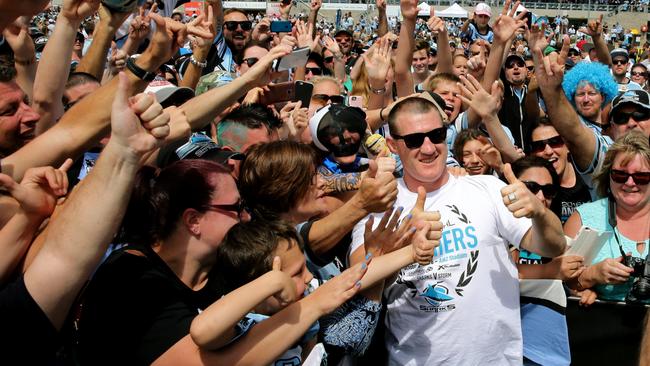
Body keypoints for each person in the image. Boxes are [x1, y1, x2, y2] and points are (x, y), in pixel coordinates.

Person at [350, 95, 566, 365]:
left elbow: (553, 246)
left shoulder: (487, 188)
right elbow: (355, 279)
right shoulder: (382, 207)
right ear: (393, 145)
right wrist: (402, 248)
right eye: (415, 140)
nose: (428, 148)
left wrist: (539, 213)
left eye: (437, 135)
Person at [509, 156, 581, 366]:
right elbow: (499, 272)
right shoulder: (494, 231)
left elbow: (581, 274)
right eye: (531, 187)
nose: (540, 197)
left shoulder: (559, 240)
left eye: (548, 191)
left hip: (548, 355)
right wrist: (551, 271)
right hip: (505, 351)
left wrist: (588, 283)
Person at [565, 131, 650, 304]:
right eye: (620, 175)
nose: (630, 183)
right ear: (608, 175)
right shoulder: (584, 219)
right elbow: (558, 279)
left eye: (641, 176)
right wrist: (592, 276)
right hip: (601, 324)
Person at [529, 119, 591, 223]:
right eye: (539, 146)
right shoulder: (534, 188)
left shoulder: (587, 175)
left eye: (555, 142)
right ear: (532, 154)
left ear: (567, 145)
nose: (548, 151)